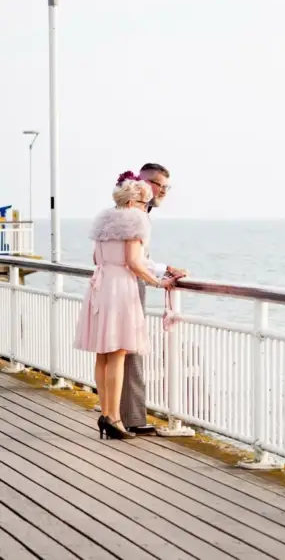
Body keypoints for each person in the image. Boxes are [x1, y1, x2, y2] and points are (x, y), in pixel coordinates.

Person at [74, 172, 177, 440]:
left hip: (100, 286)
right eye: (144, 203)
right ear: (132, 203)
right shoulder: (134, 223)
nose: (145, 208)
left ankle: (106, 414)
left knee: (102, 355)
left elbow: (96, 258)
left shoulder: (103, 224)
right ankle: (114, 418)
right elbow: (134, 262)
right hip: (120, 288)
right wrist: (159, 282)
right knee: (118, 353)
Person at [120, 162, 188, 435]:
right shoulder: (135, 215)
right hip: (129, 285)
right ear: (146, 183)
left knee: (119, 351)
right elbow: (134, 260)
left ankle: (118, 415)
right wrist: (160, 277)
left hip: (117, 284)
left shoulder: (125, 212)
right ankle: (132, 419)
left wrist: (162, 268)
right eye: (161, 185)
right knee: (131, 348)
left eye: (167, 186)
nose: (164, 192)